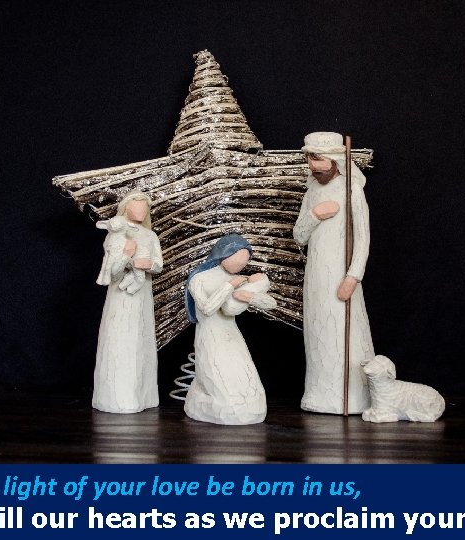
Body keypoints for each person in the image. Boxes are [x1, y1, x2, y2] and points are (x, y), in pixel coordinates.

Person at [293, 132, 375, 414]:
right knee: (319, 333)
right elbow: (299, 235)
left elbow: (362, 237)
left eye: (316, 159)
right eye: (309, 158)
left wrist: (353, 276)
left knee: (344, 333)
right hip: (316, 276)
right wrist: (315, 214)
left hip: (341, 275)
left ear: (334, 159)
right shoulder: (312, 192)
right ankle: (320, 394)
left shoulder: (351, 189)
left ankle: (353, 397)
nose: (311, 165)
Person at [183, 234, 276, 425]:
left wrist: (252, 294)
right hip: (210, 337)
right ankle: (204, 402)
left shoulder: (239, 279)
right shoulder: (199, 279)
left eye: (245, 262)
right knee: (221, 384)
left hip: (232, 337)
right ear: (223, 254)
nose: (241, 266)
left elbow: (270, 303)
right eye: (237, 260)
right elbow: (207, 308)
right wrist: (229, 286)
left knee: (246, 382)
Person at [92, 190, 163, 413]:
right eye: (136, 206)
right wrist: (127, 256)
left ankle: (144, 395)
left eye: (145, 208)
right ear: (126, 208)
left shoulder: (150, 236)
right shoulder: (117, 233)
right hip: (120, 298)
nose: (141, 211)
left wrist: (147, 265)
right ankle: (117, 396)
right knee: (120, 339)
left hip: (142, 297)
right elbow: (112, 272)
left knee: (141, 340)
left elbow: (158, 265)